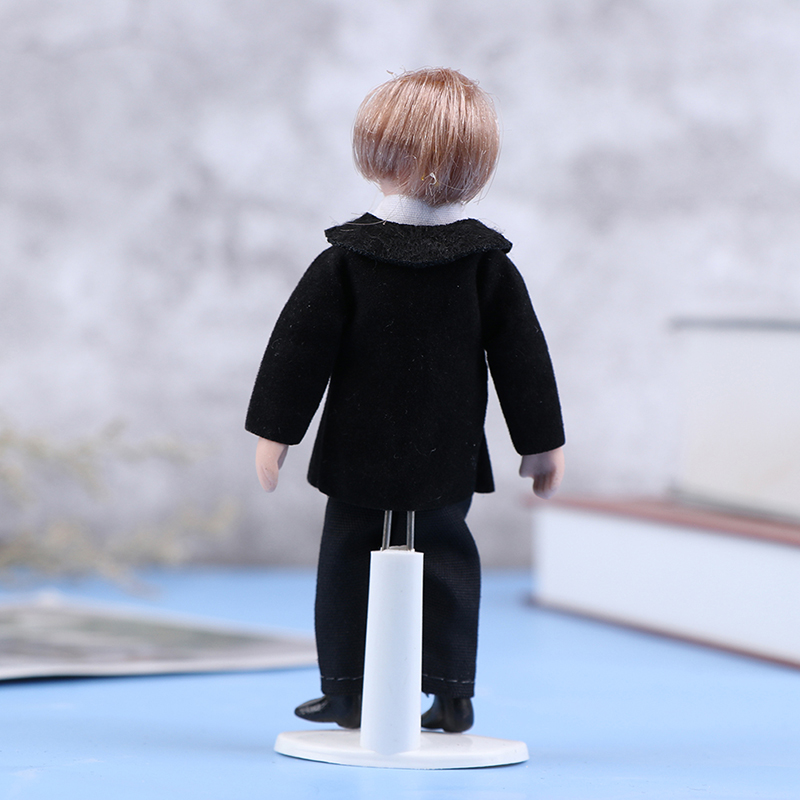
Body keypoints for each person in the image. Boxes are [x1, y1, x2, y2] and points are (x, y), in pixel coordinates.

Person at [246, 67, 565, 733]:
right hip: (408, 446)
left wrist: (541, 440)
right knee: (374, 564)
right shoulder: (350, 260)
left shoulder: (479, 265)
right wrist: (275, 430)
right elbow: (299, 350)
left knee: (415, 562)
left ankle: (439, 692)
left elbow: (521, 359)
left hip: (411, 447)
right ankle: (364, 690)